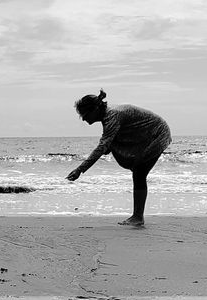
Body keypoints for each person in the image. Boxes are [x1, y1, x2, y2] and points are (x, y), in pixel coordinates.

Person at [65, 90, 171, 226]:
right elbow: (108, 142)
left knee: (139, 173)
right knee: (135, 169)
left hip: (157, 134)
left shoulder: (112, 116)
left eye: (84, 115)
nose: (84, 119)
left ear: (95, 109)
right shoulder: (108, 116)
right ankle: (137, 216)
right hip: (143, 134)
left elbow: (102, 146)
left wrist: (80, 169)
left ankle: (138, 217)